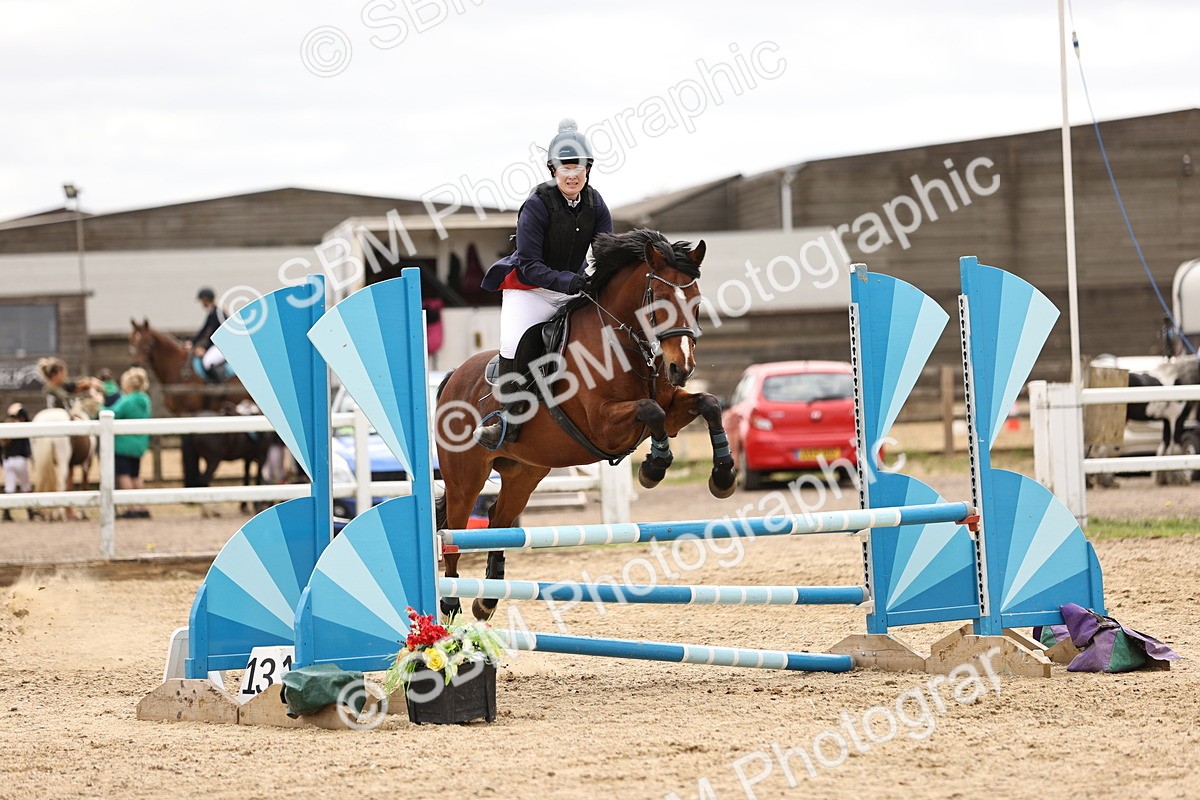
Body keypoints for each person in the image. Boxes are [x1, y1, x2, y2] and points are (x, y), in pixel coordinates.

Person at [473, 118, 614, 448]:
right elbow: (529, 266)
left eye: (578, 166)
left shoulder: (596, 204)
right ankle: (506, 420)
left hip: (572, 290)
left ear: (587, 169)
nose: (572, 174)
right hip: (531, 290)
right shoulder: (537, 206)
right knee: (513, 343)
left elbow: (608, 251)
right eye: (565, 167)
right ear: (553, 169)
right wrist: (572, 281)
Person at [111, 367, 152, 519]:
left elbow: (112, 414)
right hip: (139, 445)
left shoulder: (127, 401)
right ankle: (142, 506)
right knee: (136, 476)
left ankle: (132, 507)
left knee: (124, 475)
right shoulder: (145, 400)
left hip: (123, 445)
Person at [188, 287, 228, 383]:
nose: (201, 303)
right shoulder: (212, 312)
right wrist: (191, 342)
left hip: (224, 344)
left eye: (201, 300)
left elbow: (214, 333)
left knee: (207, 362)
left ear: (205, 299)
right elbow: (203, 330)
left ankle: (219, 385)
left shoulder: (217, 313)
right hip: (219, 343)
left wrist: (205, 348)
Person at [1, 403, 33, 522]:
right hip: (21, 459)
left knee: (10, 487)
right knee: (25, 485)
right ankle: (30, 511)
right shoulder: (23, 427)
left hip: (8, 461)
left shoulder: (6, 426)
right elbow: (28, 446)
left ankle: (6, 513)